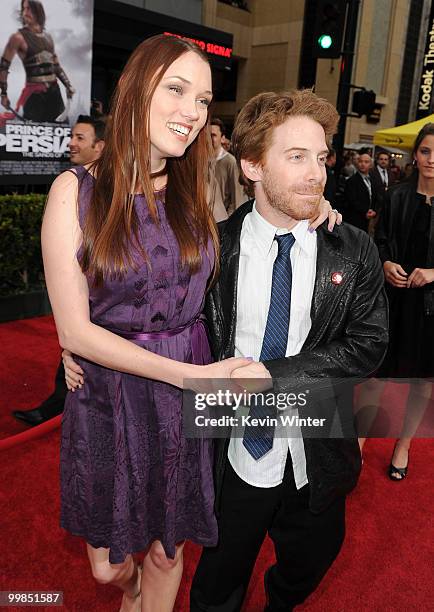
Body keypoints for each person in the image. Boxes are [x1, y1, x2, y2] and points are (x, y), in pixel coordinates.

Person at [189, 89, 388, 612]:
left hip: (315, 447)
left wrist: (273, 376)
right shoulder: (211, 250)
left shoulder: (352, 248)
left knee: (311, 561)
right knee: (217, 582)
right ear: (252, 166)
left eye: (321, 157)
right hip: (233, 451)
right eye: (296, 157)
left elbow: (368, 345)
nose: (317, 174)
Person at [12, 114, 106, 427]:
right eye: (73, 136)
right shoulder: (72, 184)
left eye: (81, 137)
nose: (72, 143)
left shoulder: (118, 191)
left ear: (100, 146)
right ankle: (57, 406)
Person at [362, 123, 434, 480]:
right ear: (415, 154)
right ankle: (358, 443)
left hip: (430, 309)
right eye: (425, 151)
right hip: (393, 299)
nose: (431, 160)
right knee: (376, 373)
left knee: (422, 380)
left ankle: (403, 444)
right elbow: (381, 240)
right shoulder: (396, 196)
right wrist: (386, 262)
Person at [0, 0, 75, 122]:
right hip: (34, 95)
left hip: (54, 93)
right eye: (24, 9)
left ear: (38, 11)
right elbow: (3, 67)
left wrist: (68, 84)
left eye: (29, 9)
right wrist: (3, 94)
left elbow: (55, 66)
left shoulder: (48, 38)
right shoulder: (17, 37)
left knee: (59, 132)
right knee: (32, 132)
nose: (25, 12)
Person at [210, 117, 245, 214]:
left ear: (222, 138)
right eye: (207, 135)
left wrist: (228, 222)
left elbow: (236, 200)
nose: (210, 139)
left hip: (223, 221)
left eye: (213, 135)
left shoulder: (230, 162)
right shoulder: (203, 161)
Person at [343, 149, 379, 233]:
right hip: (355, 219)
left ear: (371, 165)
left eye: (366, 162)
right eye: (360, 161)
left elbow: (375, 197)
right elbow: (352, 200)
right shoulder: (351, 181)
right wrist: (365, 211)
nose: (363, 164)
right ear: (357, 163)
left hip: (369, 218)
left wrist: (374, 210)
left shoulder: (373, 180)